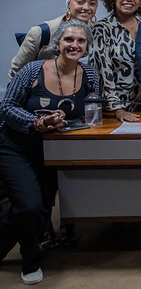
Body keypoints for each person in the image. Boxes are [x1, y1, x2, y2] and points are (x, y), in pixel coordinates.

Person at [0, 20, 99, 285]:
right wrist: (36, 122)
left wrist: (61, 121)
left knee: (37, 210)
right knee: (29, 205)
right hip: (16, 146)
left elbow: (90, 116)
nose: (74, 45)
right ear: (57, 43)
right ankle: (30, 262)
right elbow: (7, 107)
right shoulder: (32, 70)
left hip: (54, 152)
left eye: (80, 41)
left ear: (87, 46)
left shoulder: (90, 75)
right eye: (68, 40)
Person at [9, 0, 100, 79]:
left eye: (92, 3)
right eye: (80, 2)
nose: (86, 7)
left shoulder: (97, 34)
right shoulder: (41, 33)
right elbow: (17, 72)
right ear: (69, 3)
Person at [91, 0, 141, 122]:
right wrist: (117, 109)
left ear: (140, 1)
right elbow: (103, 72)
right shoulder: (102, 28)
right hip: (112, 110)